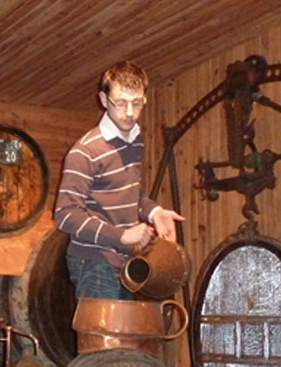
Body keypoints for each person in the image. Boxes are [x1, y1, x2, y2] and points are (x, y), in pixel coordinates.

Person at [53, 60, 184, 300]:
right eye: (121, 103)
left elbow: (129, 194)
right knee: (105, 339)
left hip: (125, 259)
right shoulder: (85, 151)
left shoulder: (135, 141)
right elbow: (65, 214)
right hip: (93, 262)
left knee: (124, 337)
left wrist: (154, 212)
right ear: (104, 100)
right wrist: (120, 236)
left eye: (137, 103)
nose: (130, 113)